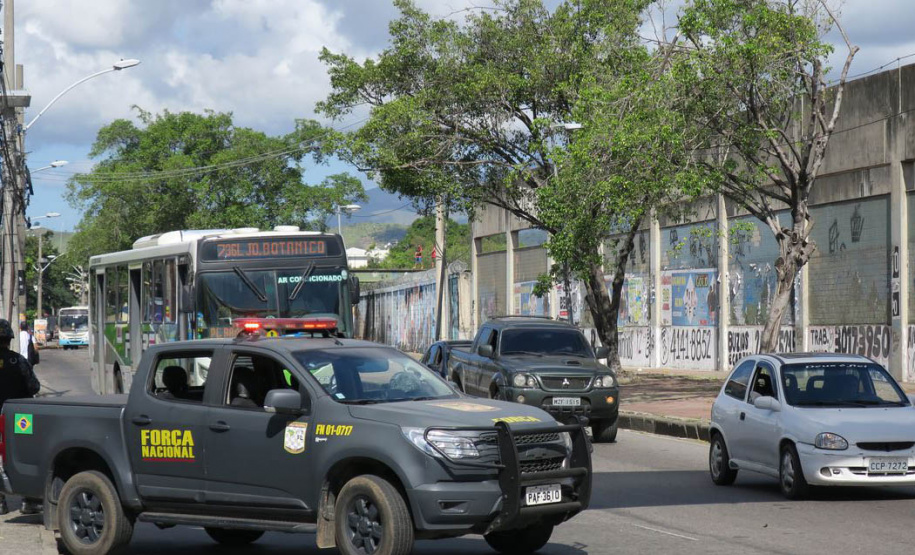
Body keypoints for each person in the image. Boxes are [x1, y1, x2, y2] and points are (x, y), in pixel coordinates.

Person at [0, 319, 40, 515]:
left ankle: (0, 503)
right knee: (26, 454)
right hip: (19, 418)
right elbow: (34, 387)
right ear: (9, 339)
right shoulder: (19, 361)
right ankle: (29, 501)